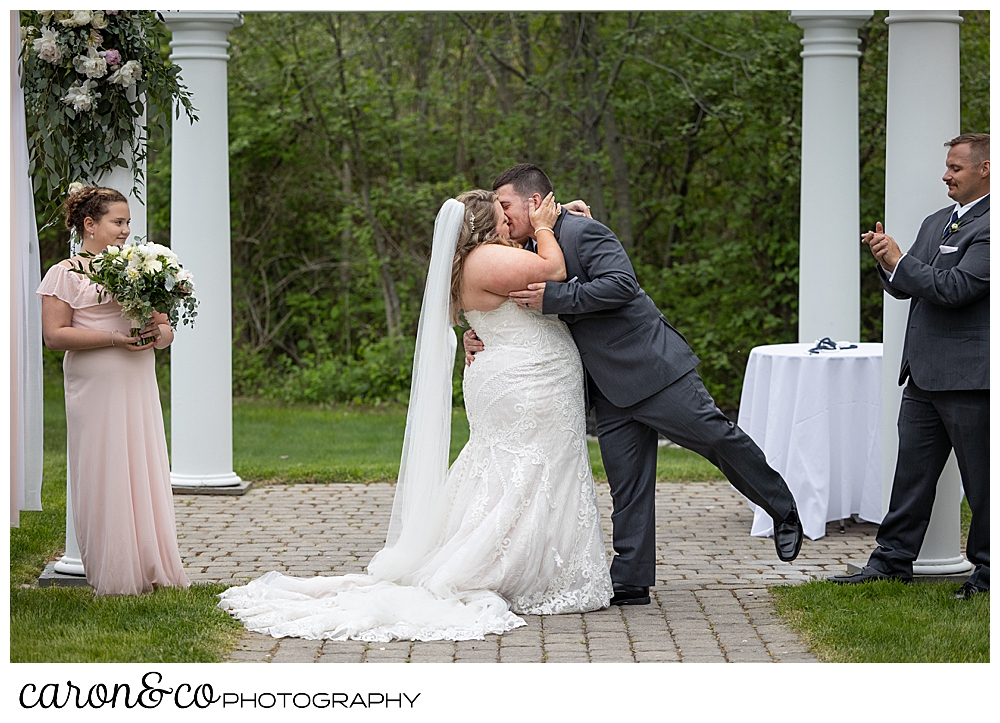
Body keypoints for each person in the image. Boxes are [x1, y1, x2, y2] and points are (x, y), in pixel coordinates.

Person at [218, 190, 612, 642]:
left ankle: (530, 561)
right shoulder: (487, 258)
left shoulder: (477, 260)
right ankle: (504, 568)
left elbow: (489, 307)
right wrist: (545, 226)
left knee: (511, 469)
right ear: (483, 225)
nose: (510, 221)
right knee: (524, 470)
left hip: (523, 381)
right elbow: (553, 270)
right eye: (502, 215)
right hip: (527, 386)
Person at [465, 164, 803, 606]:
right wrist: (479, 334)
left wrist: (556, 299)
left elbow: (622, 285)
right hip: (606, 387)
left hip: (652, 368)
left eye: (506, 206)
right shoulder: (526, 248)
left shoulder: (584, 233)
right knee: (628, 485)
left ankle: (784, 509)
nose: (503, 216)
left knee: (718, 438)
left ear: (534, 202)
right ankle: (631, 578)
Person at [830, 133, 989, 599]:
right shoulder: (937, 221)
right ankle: (891, 560)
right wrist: (887, 260)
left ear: (984, 170)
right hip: (921, 374)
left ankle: (987, 572)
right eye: (947, 166)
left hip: (971, 379)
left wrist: (903, 263)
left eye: (956, 168)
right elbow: (906, 285)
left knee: (983, 484)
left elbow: (958, 287)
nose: (946, 175)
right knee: (911, 476)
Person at [36, 186, 189, 596]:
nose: (125, 231)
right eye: (117, 222)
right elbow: (53, 335)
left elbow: (166, 329)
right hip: (95, 382)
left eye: (127, 223)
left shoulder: (142, 267)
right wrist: (113, 339)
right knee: (104, 467)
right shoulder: (64, 273)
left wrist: (159, 334)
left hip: (137, 379)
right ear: (90, 224)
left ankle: (152, 565)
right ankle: (115, 573)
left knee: (142, 462)